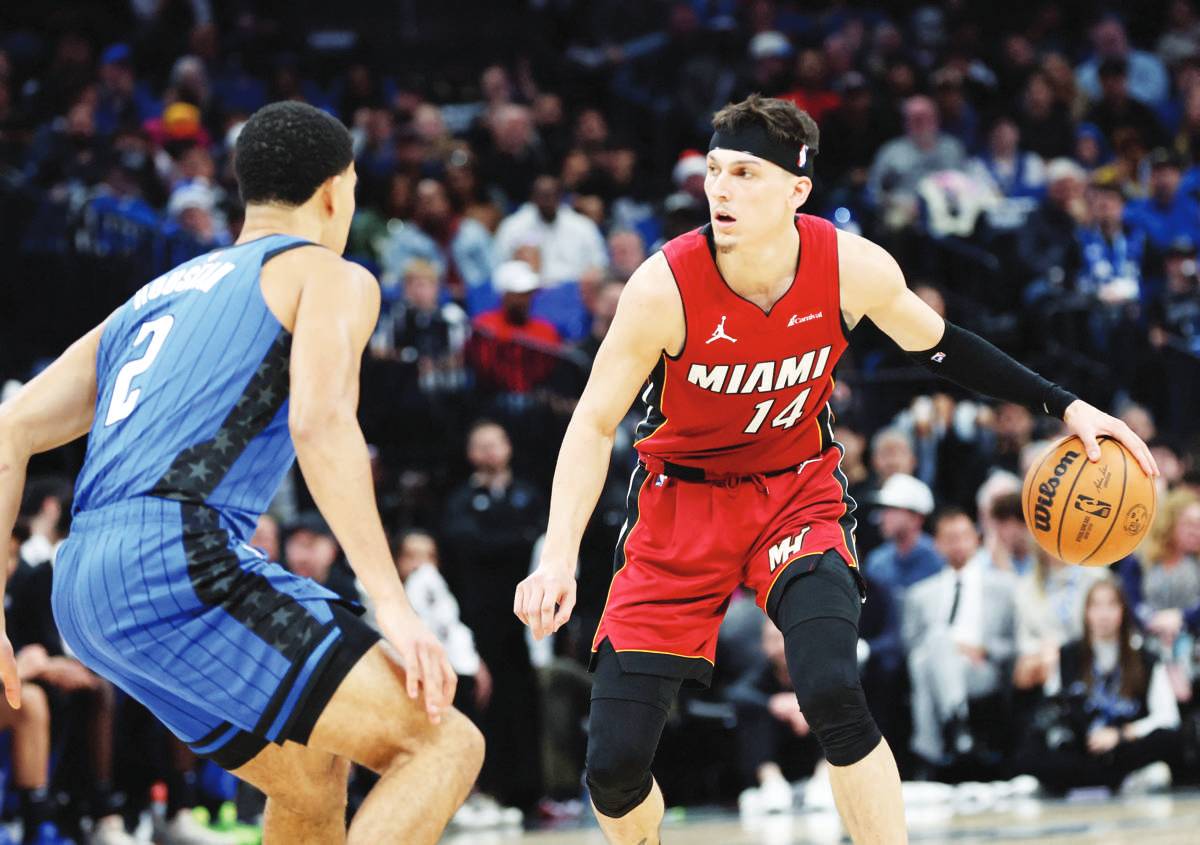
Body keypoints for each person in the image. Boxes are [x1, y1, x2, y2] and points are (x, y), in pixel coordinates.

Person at [512, 94, 1156, 845]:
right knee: (615, 770)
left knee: (831, 689)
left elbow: (942, 345)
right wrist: (558, 555)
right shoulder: (664, 287)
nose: (720, 189)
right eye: (716, 171)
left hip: (795, 493)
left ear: (797, 189)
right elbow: (591, 422)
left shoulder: (852, 268)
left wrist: (1067, 405)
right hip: (680, 507)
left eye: (746, 173)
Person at [0, 101, 483, 845]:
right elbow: (320, 421)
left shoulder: (155, 295)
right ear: (335, 191)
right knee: (445, 741)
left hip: (82, 585)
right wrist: (391, 601)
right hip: (177, 556)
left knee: (311, 771)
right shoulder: (329, 274)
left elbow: (13, 424)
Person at [1019, 579, 1180, 794]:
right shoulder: (1068, 655)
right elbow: (1051, 707)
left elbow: (1168, 717)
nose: (1104, 615)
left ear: (1123, 611)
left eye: (1111, 605)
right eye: (1096, 606)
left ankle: (1113, 779)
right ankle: (1109, 781)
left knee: (1167, 739)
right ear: (1086, 613)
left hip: (1123, 748)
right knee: (1032, 746)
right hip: (1083, 747)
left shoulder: (1146, 659)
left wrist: (1121, 734)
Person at [903, 509, 1017, 768]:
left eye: (964, 536)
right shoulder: (920, 594)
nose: (959, 544)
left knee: (927, 660)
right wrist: (947, 647)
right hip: (936, 664)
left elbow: (1014, 643)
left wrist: (983, 649)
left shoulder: (1004, 586)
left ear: (976, 539)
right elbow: (911, 646)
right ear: (937, 544)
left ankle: (928, 750)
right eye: (950, 538)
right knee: (935, 645)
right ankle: (958, 722)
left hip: (981, 666)